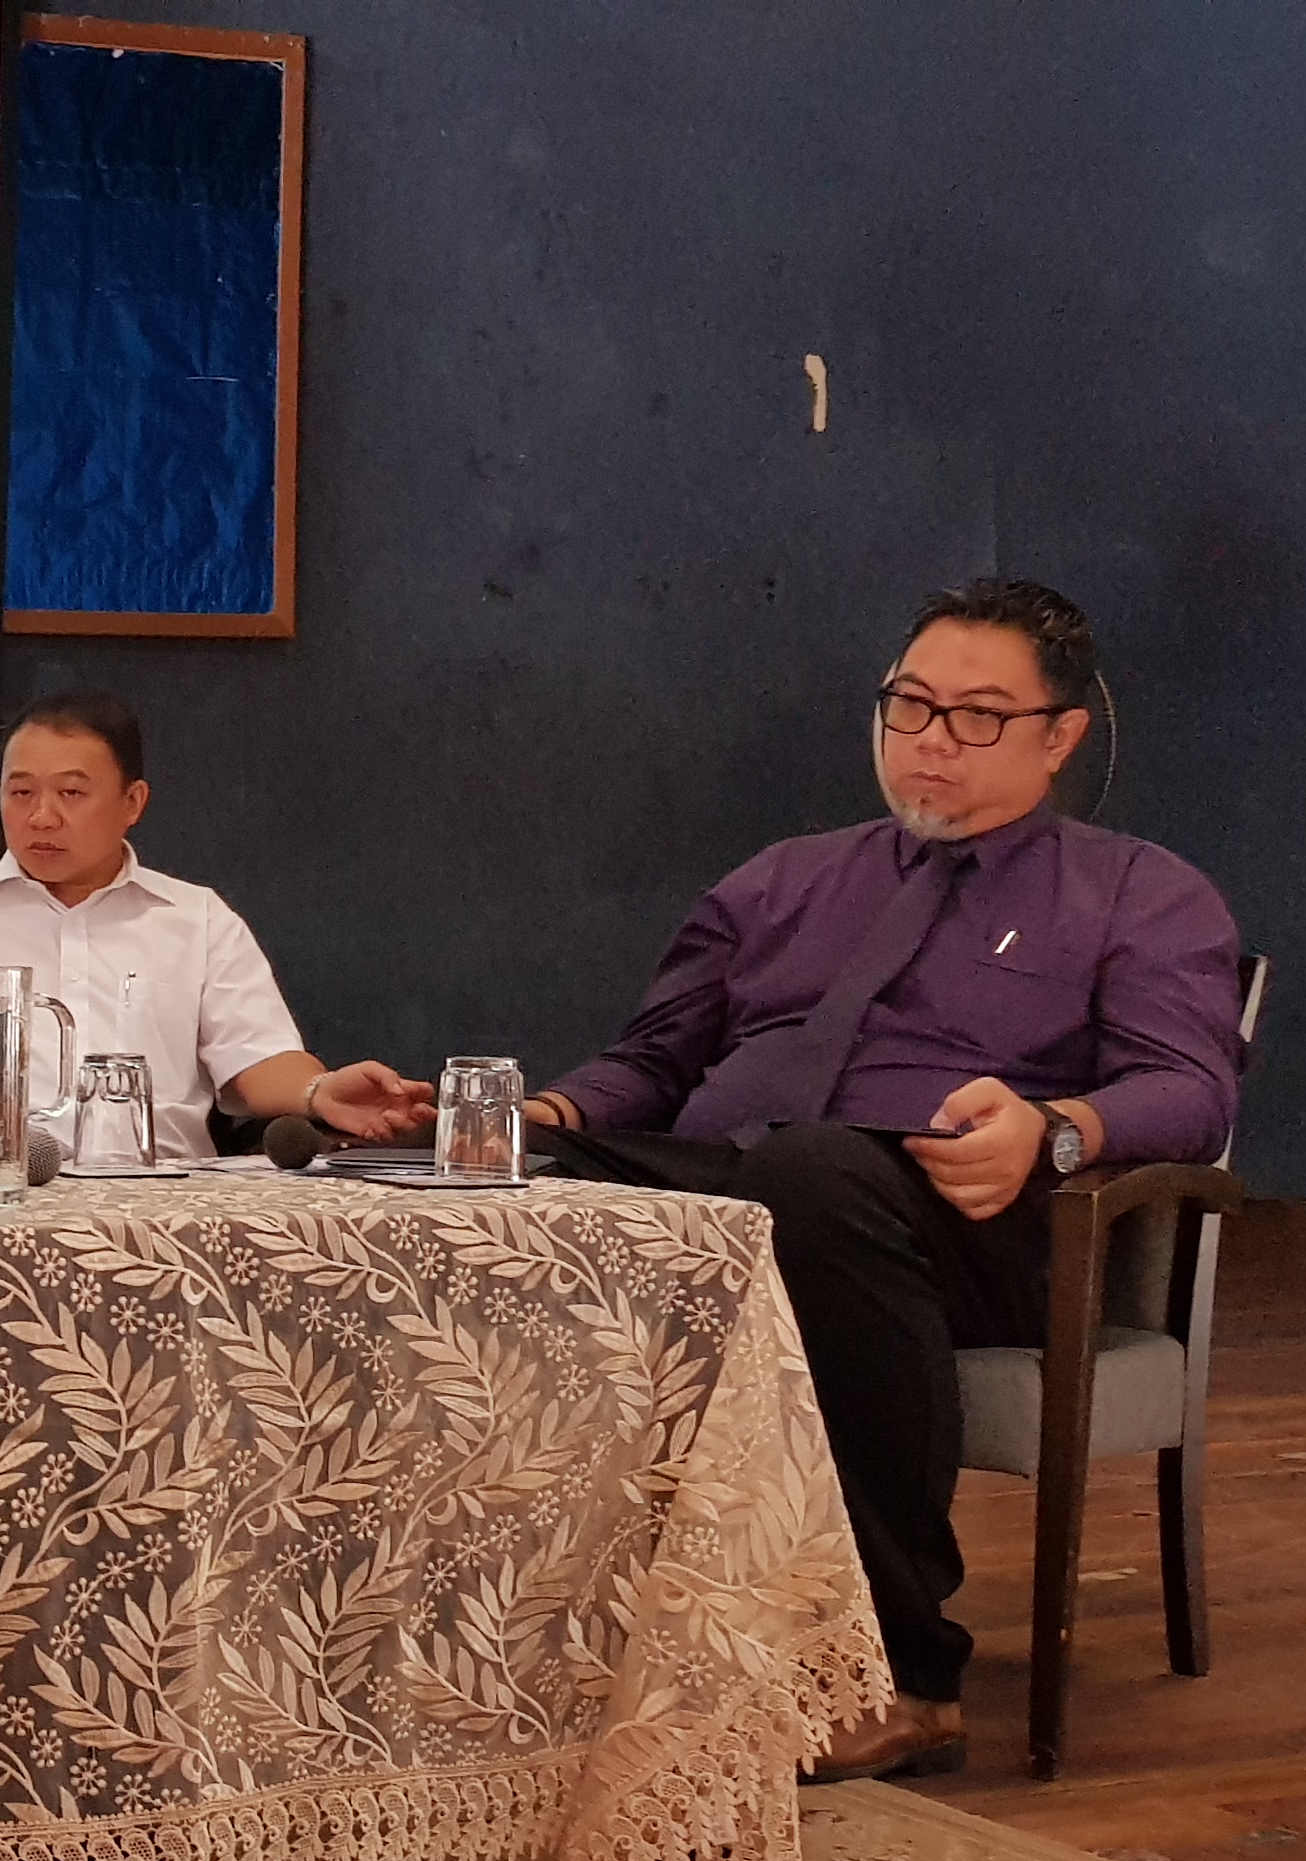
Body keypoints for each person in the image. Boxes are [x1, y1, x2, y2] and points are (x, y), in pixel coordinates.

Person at [522, 578, 1245, 1782]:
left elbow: (1191, 1089)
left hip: (977, 1225)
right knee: (493, 1176)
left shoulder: (1140, 892)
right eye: (909, 706)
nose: (930, 742)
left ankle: (906, 1678)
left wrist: (1054, 1128)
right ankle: (522, 1639)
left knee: (812, 1176)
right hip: (742, 1191)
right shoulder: (782, 880)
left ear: (1061, 736)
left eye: (978, 717)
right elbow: (653, 1064)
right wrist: (530, 1121)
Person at [0, 691, 435, 1159]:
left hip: (160, 1210)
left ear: (133, 802)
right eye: (20, 792)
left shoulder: (196, 919)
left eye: (70, 793)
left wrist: (319, 1093)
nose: (41, 817)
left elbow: (258, 1063)